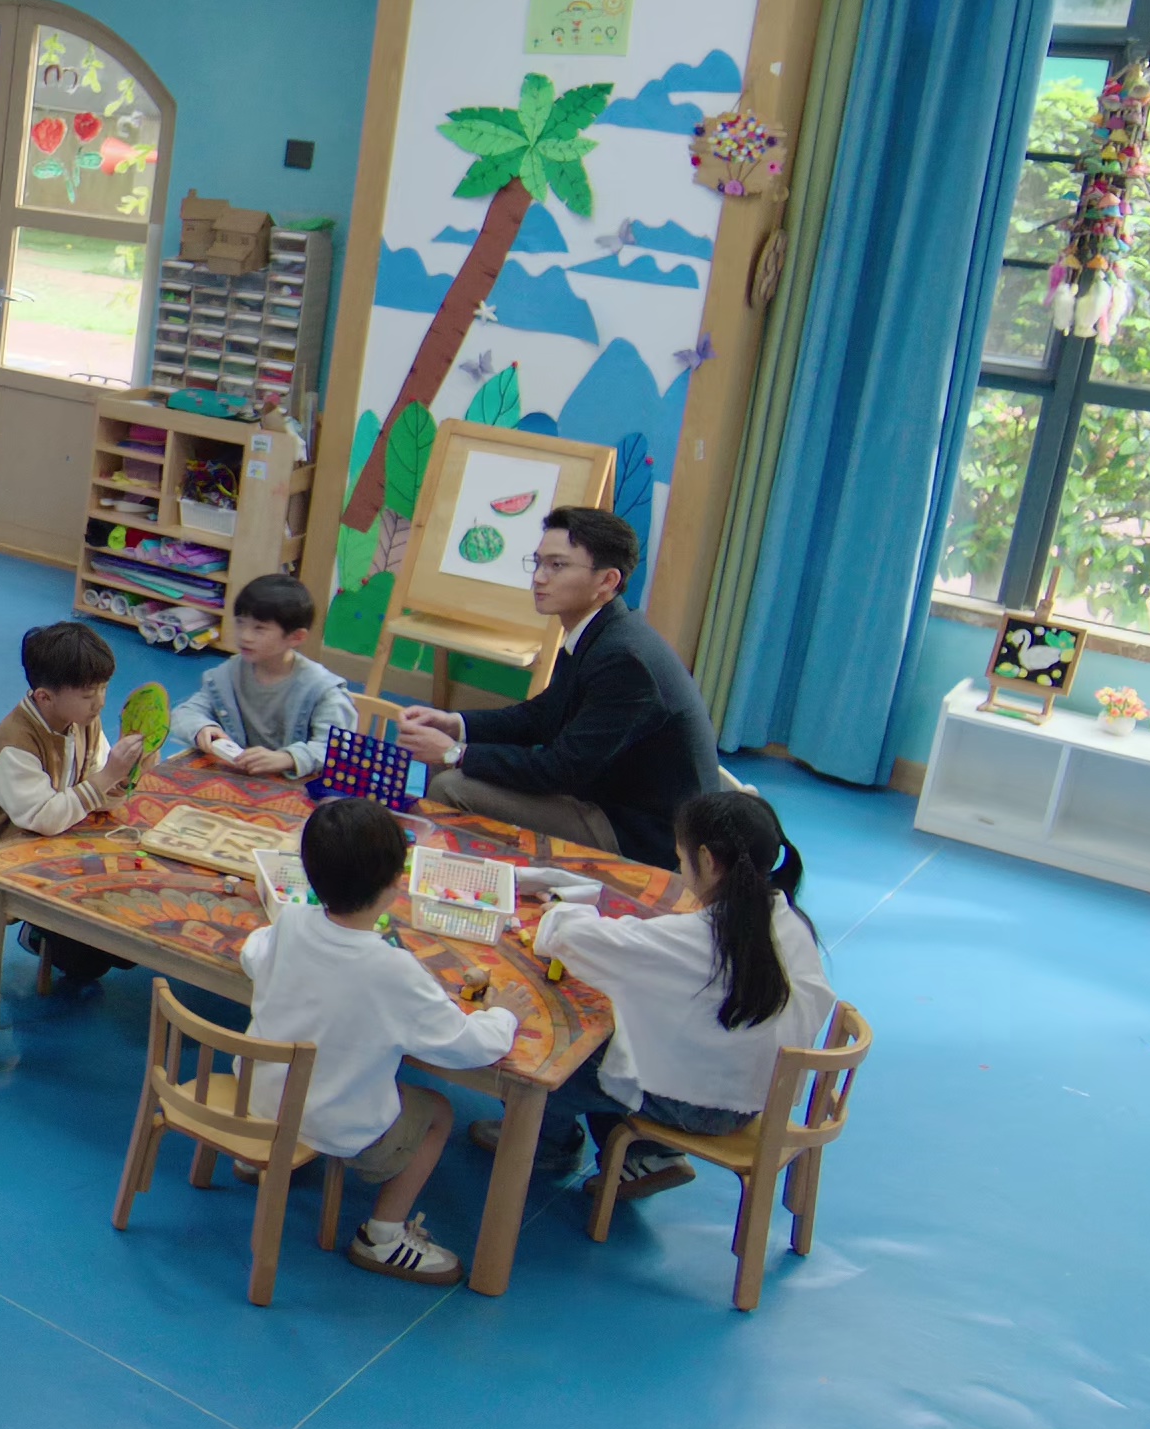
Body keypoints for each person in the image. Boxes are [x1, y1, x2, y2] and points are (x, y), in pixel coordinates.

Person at [496, 787, 838, 1196]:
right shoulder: (787, 919)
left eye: (682, 859)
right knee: (630, 1028)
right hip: (755, 1091)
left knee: (559, 1056)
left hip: (706, 1105)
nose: (681, 869)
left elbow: (581, 940)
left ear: (707, 860)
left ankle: (551, 1147)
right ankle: (647, 1156)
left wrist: (559, 909)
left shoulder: (704, 935)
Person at [239, 797, 519, 1287]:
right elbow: (469, 1046)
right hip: (337, 1125)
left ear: (311, 874)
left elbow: (252, 954)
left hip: (258, 1101)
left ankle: (253, 1157)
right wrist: (504, 1015)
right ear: (396, 882)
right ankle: (383, 1236)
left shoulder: (290, 922)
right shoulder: (394, 970)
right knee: (439, 1112)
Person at [390, 506, 720, 869]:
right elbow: (542, 715)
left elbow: (560, 769)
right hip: (605, 797)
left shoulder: (625, 659)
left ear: (607, 581)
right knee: (451, 767)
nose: (539, 578)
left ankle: (457, 881)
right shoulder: (599, 633)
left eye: (557, 565)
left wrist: (456, 752)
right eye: (538, 563)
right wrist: (456, 724)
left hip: (640, 834)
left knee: (450, 786)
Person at [0, 620, 149, 993]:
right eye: (88, 694)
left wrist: (127, 774)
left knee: (130, 916)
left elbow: (98, 783)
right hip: (7, 856)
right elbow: (45, 818)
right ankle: (41, 933)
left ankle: (63, 937)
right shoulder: (16, 742)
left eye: (103, 688)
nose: (100, 702)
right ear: (45, 697)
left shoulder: (82, 721)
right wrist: (106, 777)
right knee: (91, 956)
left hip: (60, 841)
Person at [173, 574, 360, 778]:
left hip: (296, 785)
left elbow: (338, 750)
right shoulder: (228, 674)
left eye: (259, 628)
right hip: (240, 778)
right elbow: (186, 712)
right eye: (240, 623)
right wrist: (202, 727)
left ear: (296, 637)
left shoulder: (322, 689)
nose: (245, 636)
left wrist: (289, 758)